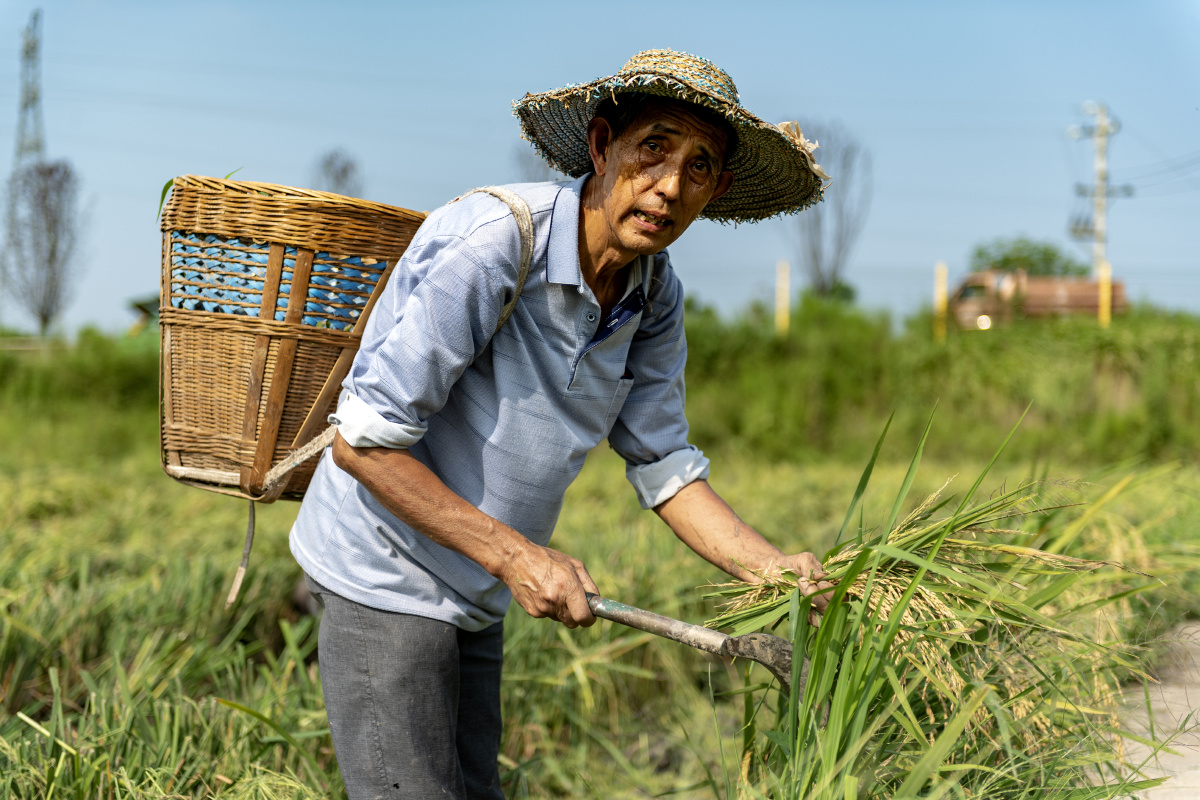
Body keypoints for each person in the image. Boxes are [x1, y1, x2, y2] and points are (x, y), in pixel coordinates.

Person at [289, 48, 832, 800]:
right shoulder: (496, 245)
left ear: (719, 190)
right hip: (387, 571)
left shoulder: (653, 296)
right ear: (603, 146)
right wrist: (517, 557)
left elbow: (663, 462)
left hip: (475, 589)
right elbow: (365, 443)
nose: (670, 185)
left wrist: (772, 569)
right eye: (654, 148)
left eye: (699, 166)